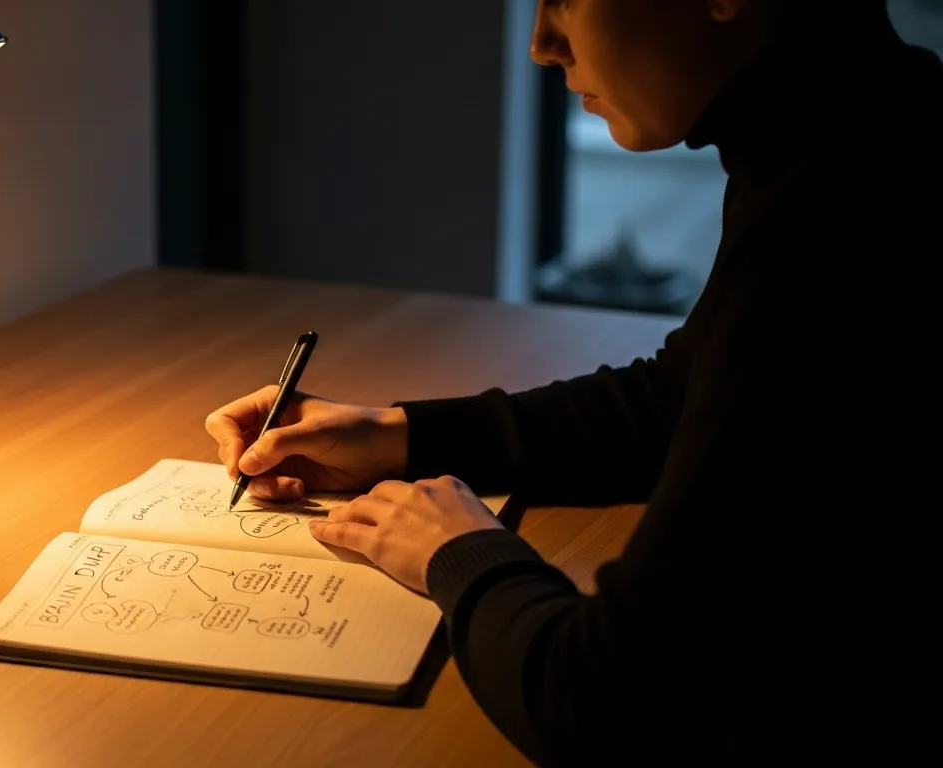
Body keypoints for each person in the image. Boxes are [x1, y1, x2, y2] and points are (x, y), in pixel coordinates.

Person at [205, 1, 941, 764]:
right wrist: (397, 436)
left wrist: (460, 551)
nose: (541, 45)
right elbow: (680, 398)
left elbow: (607, 704)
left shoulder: (843, 226)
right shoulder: (849, 132)